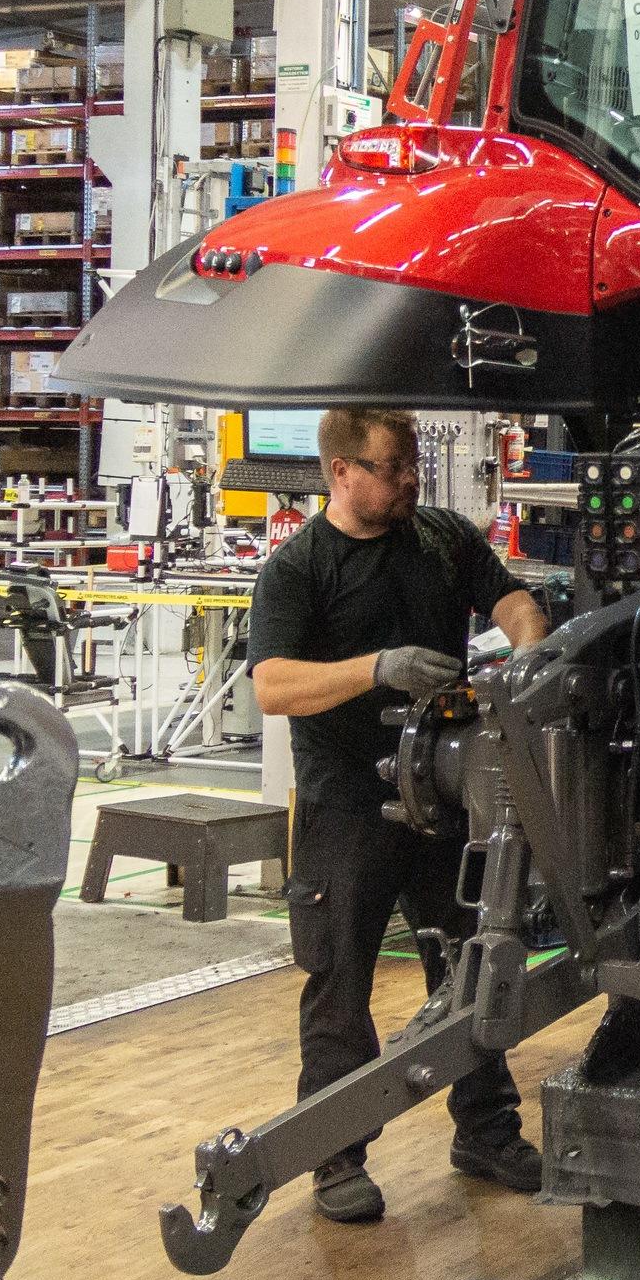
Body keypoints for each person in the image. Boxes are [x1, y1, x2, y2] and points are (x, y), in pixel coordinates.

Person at [249, 407, 554, 1224]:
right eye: (392, 467)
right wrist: (375, 668)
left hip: (444, 800)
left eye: (413, 462)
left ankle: (485, 1132)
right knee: (340, 982)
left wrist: (529, 651)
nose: (410, 479)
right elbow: (273, 684)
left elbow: (514, 599)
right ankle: (334, 1158)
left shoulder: (442, 539)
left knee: (471, 966)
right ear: (341, 473)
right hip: (347, 807)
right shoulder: (299, 569)